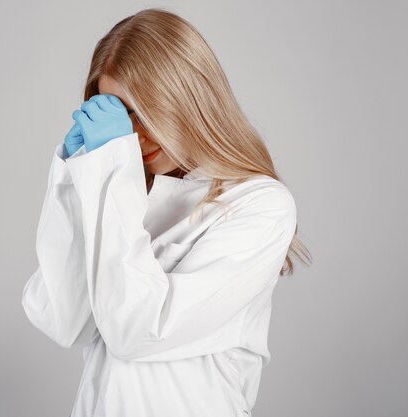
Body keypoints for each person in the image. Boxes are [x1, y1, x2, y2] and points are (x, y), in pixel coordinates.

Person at [21, 7, 312, 417]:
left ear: (189, 98)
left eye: (144, 109)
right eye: (120, 115)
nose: (134, 136)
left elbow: (137, 330)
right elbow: (64, 319)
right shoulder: (123, 195)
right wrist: (75, 179)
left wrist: (110, 174)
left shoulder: (260, 205)